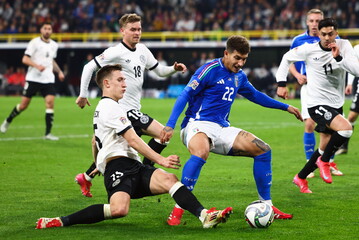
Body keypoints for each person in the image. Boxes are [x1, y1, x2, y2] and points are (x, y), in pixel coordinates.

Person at [36, 64, 232, 229]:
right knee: (119, 210)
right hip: (119, 168)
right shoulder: (109, 107)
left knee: (169, 179)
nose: (125, 84)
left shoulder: (108, 108)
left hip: (133, 166)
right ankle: (60, 221)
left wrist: (98, 163)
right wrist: (160, 159)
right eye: (120, 80)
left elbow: (94, 141)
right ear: (107, 83)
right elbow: (133, 140)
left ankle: (204, 215)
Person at [160, 35, 302, 226]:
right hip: (196, 124)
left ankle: (267, 205)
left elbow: (256, 96)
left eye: (244, 59)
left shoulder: (239, 76)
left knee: (263, 150)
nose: (240, 63)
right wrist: (170, 124)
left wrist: (286, 107)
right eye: (237, 58)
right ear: (226, 53)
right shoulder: (209, 70)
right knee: (201, 152)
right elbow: (186, 94)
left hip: (222, 127)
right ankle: (178, 210)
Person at [74, 13, 187, 197]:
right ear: (122, 31)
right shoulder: (115, 52)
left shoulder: (142, 50)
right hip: (124, 110)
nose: (137, 33)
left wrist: (173, 69)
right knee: (163, 133)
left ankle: (86, 177)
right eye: (133, 29)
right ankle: (146, 169)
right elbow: (89, 67)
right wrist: (83, 94)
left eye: (139, 29)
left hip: (134, 109)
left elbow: (159, 71)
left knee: (114, 146)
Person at [276, 18, 359, 193]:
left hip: (336, 103)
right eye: (324, 34)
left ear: (336, 33)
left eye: (331, 33)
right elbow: (286, 58)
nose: (327, 37)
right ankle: (325, 161)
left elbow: (356, 70)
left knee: (323, 146)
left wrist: (339, 58)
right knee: (346, 129)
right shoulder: (309, 49)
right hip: (316, 103)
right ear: (318, 35)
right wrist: (281, 83)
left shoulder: (344, 46)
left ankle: (300, 177)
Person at [0, 22, 65, 140]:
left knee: (50, 103)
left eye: (49, 29)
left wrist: (59, 71)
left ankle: (48, 133)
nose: (47, 31)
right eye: (45, 28)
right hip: (33, 78)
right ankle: (8, 120)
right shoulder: (34, 42)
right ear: (41, 30)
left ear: (51, 31)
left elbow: (51, 60)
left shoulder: (54, 45)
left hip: (48, 79)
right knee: (23, 105)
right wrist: (36, 66)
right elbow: (25, 59)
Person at [335, 44, 359, 155]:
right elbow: (352, 66)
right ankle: (344, 145)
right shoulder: (357, 48)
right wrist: (349, 83)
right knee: (352, 115)